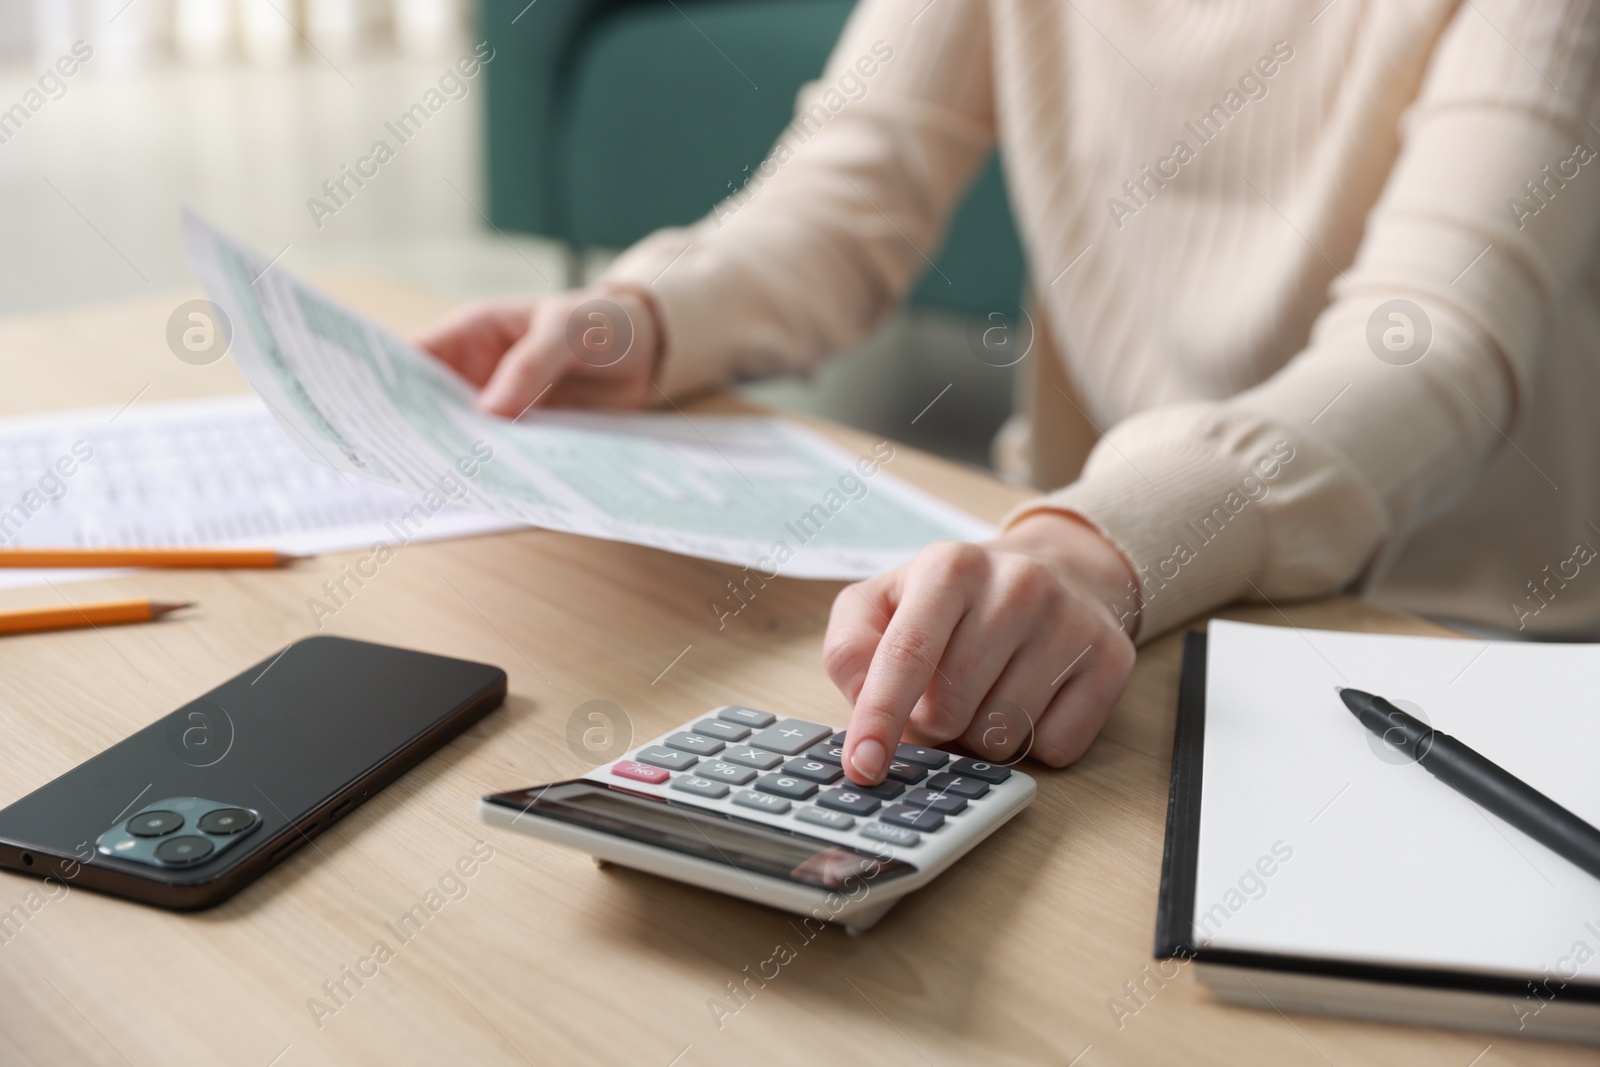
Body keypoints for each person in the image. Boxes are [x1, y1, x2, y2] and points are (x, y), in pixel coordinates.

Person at [417, 1, 1600, 788]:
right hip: (1098, 601)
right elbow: (848, 189)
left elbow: (1430, 341)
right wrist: (651, 317)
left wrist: (1101, 541)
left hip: (1443, 627)